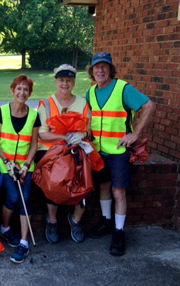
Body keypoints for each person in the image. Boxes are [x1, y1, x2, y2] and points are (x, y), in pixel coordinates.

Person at [86, 52, 156, 256]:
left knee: (118, 192)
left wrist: (136, 133)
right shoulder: (90, 92)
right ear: (92, 71)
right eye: (96, 67)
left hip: (118, 151)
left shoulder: (122, 88)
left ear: (110, 69)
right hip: (98, 152)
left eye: (104, 66)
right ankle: (107, 222)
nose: (100, 70)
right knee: (104, 188)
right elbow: (90, 117)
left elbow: (149, 105)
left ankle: (119, 232)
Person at [36, 64, 91, 244]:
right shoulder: (47, 103)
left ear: (74, 82)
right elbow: (42, 133)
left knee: (86, 180)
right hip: (51, 151)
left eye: (68, 80)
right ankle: (51, 220)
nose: (65, 84)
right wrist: (66, 137)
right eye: (61, 80)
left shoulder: (82, 103)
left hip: (77, 149)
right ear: (56, 82)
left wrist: (82, 134)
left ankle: (76, 220)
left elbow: (89, 131)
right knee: (54, 180)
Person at [0, 75, 40, 263]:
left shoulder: (34, 115)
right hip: (5, 166)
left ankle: (24, 242)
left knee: (25, 197)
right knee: (12, 196)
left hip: (25, 167)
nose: (22, 92)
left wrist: (27, 165)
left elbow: (34, 145)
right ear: (12, 90)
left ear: (30, 93)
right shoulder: (1, 112)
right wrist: (7, 162)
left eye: (26, 89)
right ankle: (5, 228)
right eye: (18, 88)